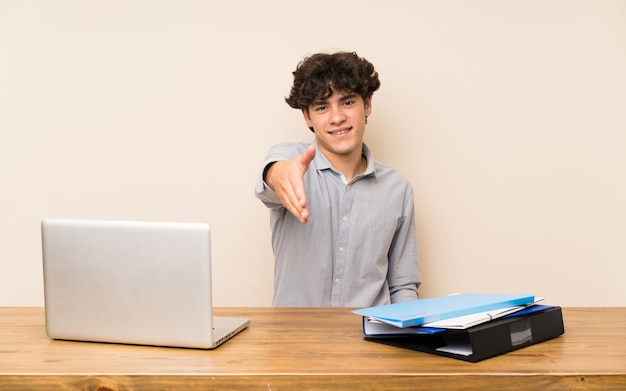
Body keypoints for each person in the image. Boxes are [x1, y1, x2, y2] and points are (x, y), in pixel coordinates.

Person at [255, 51, 421, 307]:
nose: (336, 117)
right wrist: (279, 175)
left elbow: (403, 285)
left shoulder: (397, 188)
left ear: (367, 105)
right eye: (322, 107)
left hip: (370, 339)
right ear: (307, 116)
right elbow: (273, 176)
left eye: (347, 102)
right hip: (294, 341)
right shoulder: (291, 161)